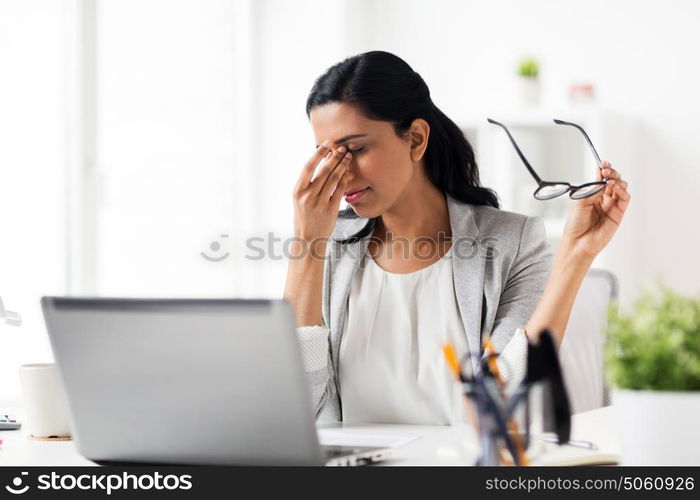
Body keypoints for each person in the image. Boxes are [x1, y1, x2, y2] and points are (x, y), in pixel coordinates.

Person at [283, 51, 630, 425]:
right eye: (328, 155)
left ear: (416, 139)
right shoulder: (329, 248)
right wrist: (307, 242)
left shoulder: (514, 242)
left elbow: (499, 401)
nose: (341, 173)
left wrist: (575, 256)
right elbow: (298, 408)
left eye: (355, 149)